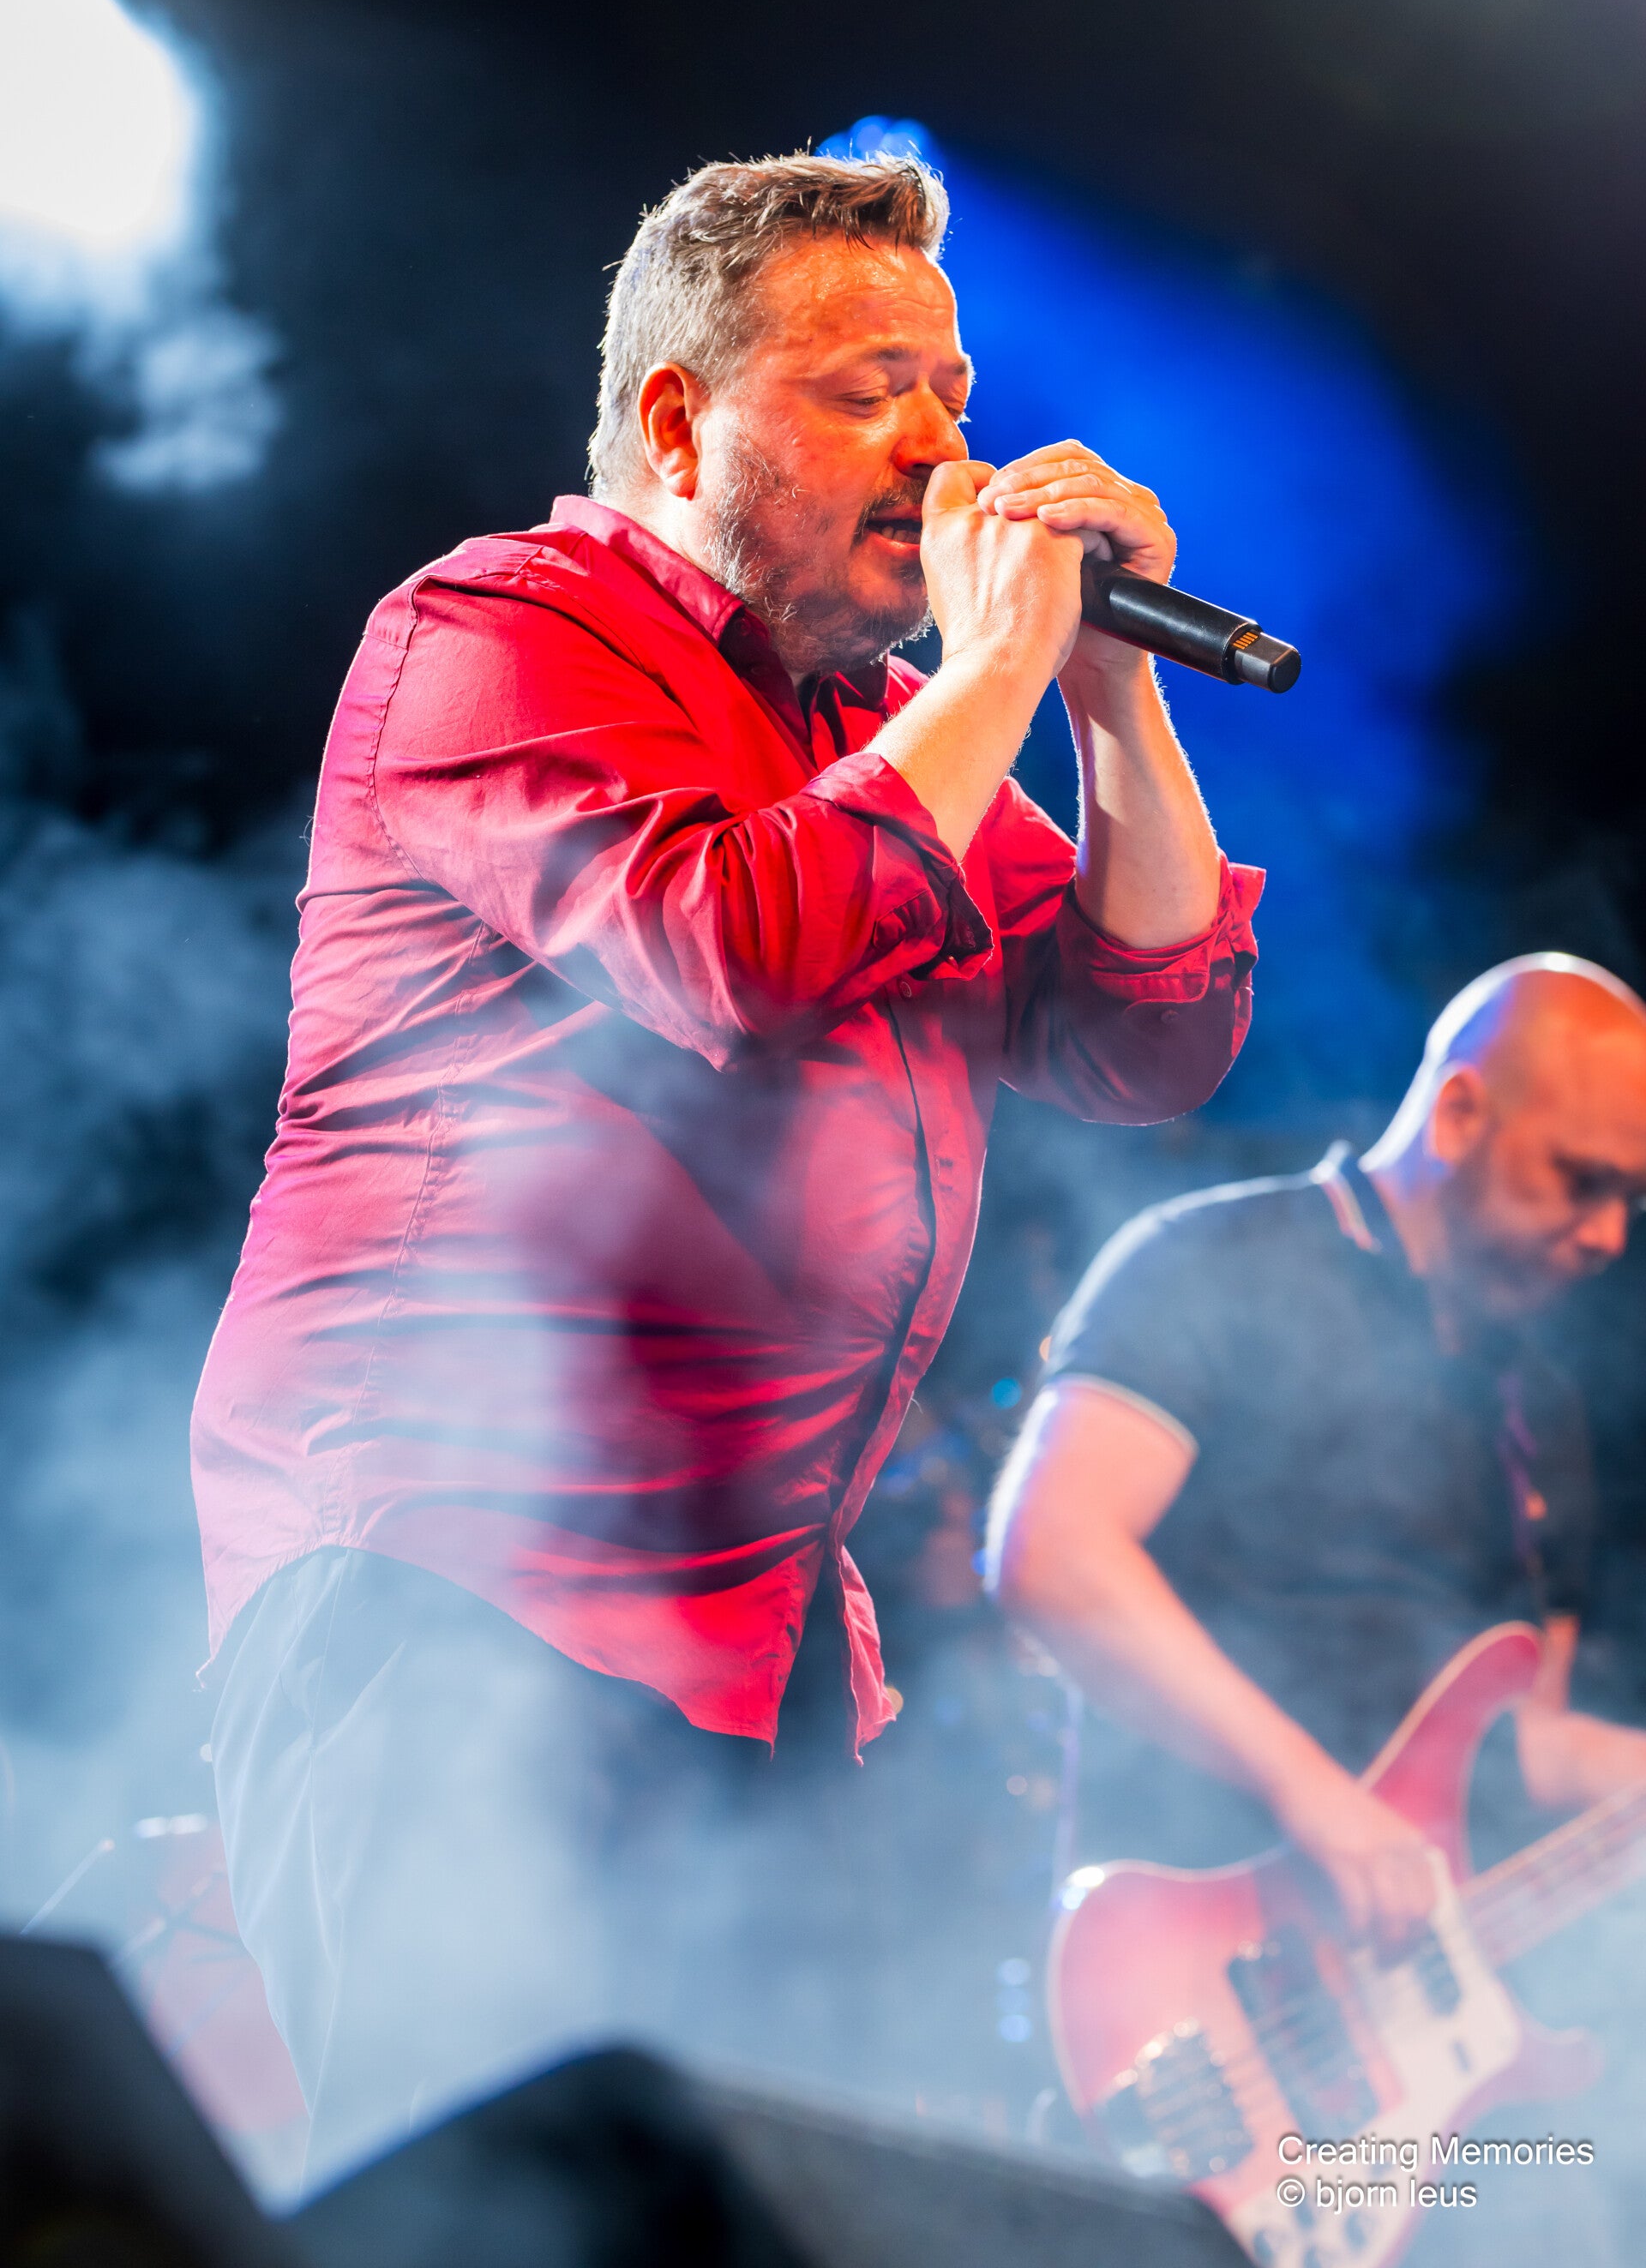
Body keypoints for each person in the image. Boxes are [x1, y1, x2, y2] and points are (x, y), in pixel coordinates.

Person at [191, 151, 1260, 2179]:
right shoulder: (499, 626)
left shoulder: (884, 724)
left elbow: (1148, 1034)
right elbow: (729, 945)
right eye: (870, 390)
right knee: (497, 2213)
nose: (944, 445)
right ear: (681, 425)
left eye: (952, 389)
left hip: (761, 1642)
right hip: (460, 1588)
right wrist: (997, 675)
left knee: (756, 2220)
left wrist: (1109, 690)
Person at [987, 955, 1646, 2258]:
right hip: (1196, 1997)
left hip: (1411, 2064)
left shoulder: (1540, 1414)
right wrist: (1315, 1795)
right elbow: (1050, 1549)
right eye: (1580, 1180)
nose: (1609, 1237)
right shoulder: (1214, 1259)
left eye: (1633, 1199)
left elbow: (1521, 1734)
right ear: (1460, 1113)